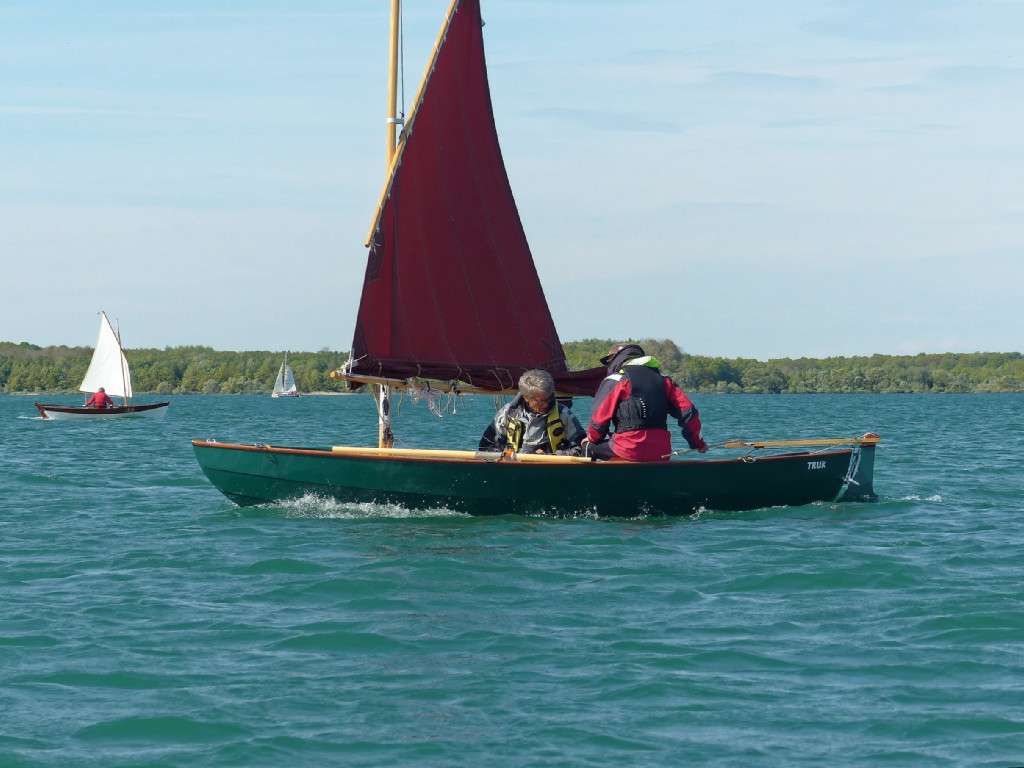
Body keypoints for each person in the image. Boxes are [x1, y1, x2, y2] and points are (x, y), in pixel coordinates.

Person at [583, 343, 708, 462]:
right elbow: (688, 412)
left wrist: (591, 439)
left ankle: (592, 483)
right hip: (661, 452)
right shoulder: (664, 380)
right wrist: (698, 444)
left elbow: (597, 424)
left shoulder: (614, 381)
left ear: (616, 360)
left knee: (588, 446)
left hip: (628, 450)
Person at [479, 369, 585, 455]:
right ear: (526, 398)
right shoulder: (507, 413)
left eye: (549, 399)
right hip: (515, 471)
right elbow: (486, 447)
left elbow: (581, 449)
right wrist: (509, 456)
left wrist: (550, 457)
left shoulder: (564, 414)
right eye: (540, 401)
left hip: (553, 470)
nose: (546, 404)